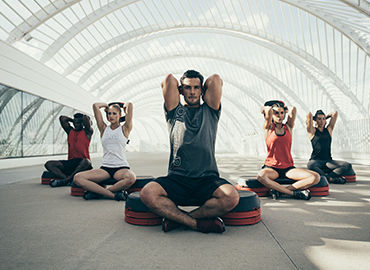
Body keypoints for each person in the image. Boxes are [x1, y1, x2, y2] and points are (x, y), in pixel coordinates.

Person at [140, 70, 239, 234]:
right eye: (187, 88)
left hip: (207, 178)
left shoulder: (211, 110)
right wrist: (179, 86)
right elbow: (168, 80)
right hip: (177, 178)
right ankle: (196, 224)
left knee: (231, 197)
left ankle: (179, 221)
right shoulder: (174, 111)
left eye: (196, 87)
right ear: (180, 90)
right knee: (147, 193)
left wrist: (203, 86)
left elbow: (215, 80)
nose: (192, 92)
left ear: (202, 90)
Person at [257, 101, 320, 200]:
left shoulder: (288, 127)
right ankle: (292, 193)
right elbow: (267, 110)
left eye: (282, 113)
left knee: (315, 177)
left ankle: (282, 192)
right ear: (271, 114)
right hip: (272, 168)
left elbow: (293, 109)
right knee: (261, 176)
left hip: (288, 168)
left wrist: (285, 108)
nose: (280, 115)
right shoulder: (268, 127)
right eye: (276, 113)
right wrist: (268, 109)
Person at [73, 102, 136, 201]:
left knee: (131, 178)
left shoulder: (125, 128)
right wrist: (106, 105)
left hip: (121, 167)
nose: (111, 116)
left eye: (114, 113)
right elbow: (95, 106)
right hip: (105, 169)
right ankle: (111, 195)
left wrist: (122, 106)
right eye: (109, 113)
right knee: (78, 178)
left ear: (120, 115)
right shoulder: (103, 128)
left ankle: (99, 193)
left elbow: (130, 105)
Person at [45, 113, 93, 187]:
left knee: (87, 161)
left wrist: (82, 120)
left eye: (78, 123)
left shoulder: (87, 132)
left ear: (82, 123)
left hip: (82, 163)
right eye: (74, 123)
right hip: (71, 162)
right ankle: (67, 179)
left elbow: (86, 119)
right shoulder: (70, 131)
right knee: (49, 164)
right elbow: (62, 118)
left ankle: (66, 180)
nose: (75, 125)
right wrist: (73, 120)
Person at [306, 110, 352, 184]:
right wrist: (313, 118)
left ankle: (329, 178)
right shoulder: (312, 131)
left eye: (323, 119)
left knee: (347, 165)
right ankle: (331, 179)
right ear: (315, 120)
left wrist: (326, 117)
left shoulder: (329, 129)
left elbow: (335, 113)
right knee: (310, 165)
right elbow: (309, 115)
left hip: (328, 161)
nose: (321, 121)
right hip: (316, 161)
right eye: (319, 119)